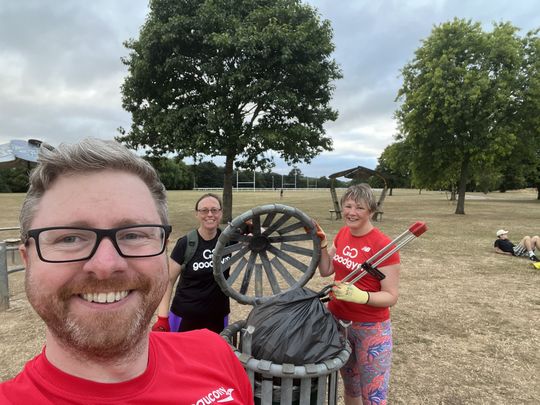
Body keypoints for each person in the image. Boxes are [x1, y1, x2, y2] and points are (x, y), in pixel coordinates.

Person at [0, 139, 253, 404]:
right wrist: (165, 317)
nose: (106, 265)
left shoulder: (217, 356)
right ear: (27, 260)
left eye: (133, 234)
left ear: (161, 248)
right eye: (69, 239)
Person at [317, 183, 401, 405]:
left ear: (371, 211)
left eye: (360, 208)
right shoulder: (344, 233)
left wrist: (362, 296)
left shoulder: (384, 246)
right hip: (340, 323)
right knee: (351, 387)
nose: (351, 212)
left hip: (371, 329)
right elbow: (326, 270)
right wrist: (322, 245)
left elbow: (391, 295)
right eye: (348, 206)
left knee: (374, 395)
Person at [152, 193, 231, 333]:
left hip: (219, 316)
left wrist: (251, 228)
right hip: (186, 317)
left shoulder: (228, 240)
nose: (210, 214)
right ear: (197, 214)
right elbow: (168, 280)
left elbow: (257, 239)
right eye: (204, 210)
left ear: (221, 213)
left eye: (214, 210)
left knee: (213, 354)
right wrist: (162, 318)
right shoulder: (186, 243)